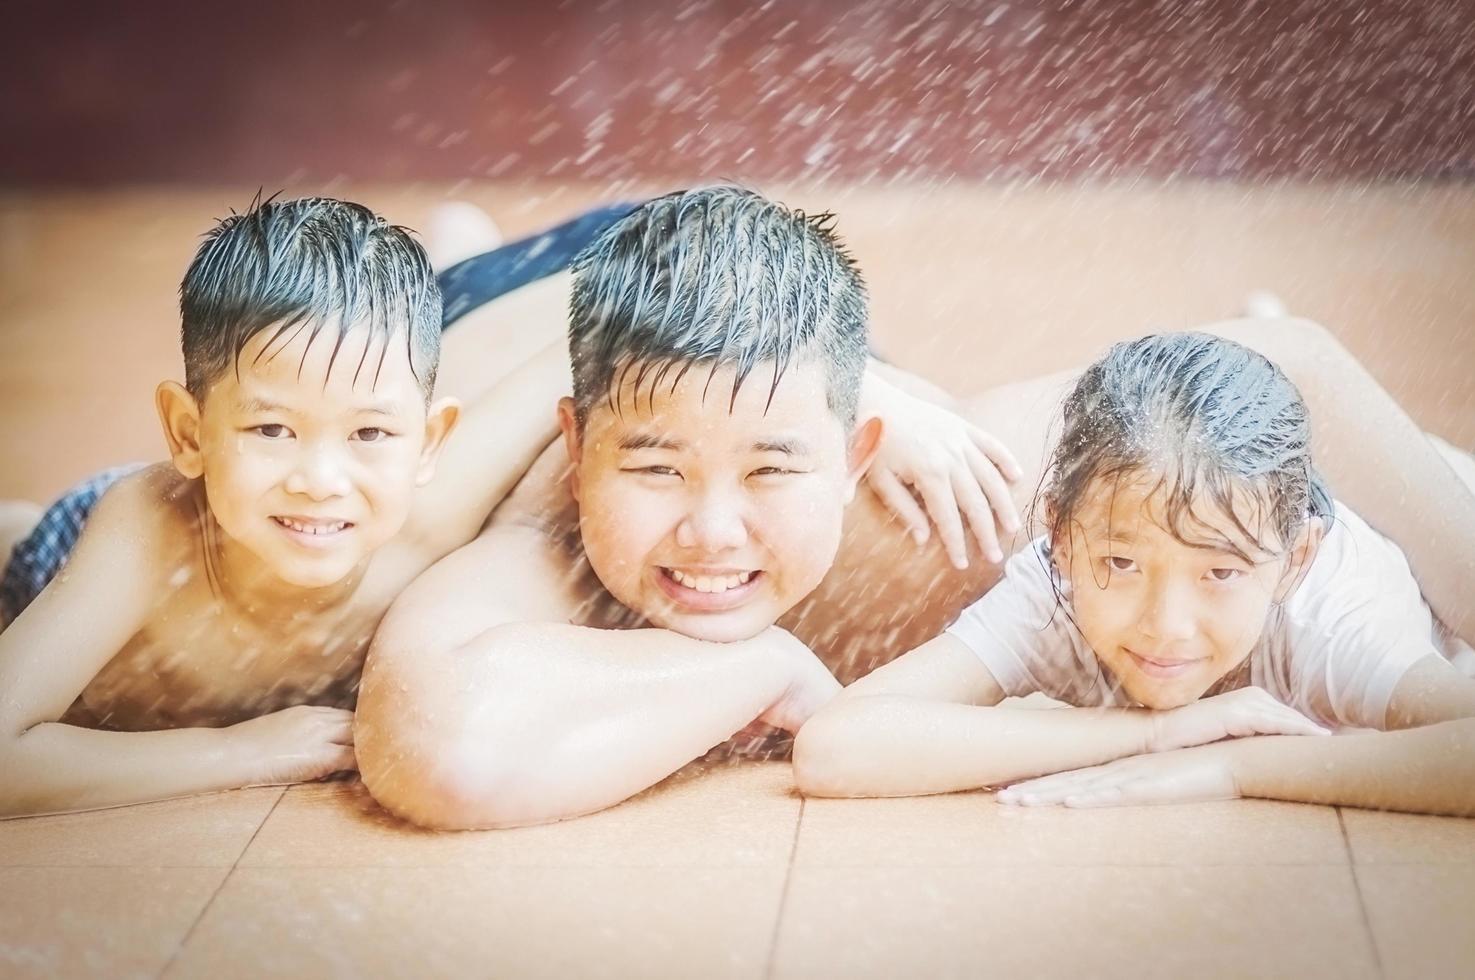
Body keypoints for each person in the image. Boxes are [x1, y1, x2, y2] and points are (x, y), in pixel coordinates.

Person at [354, 187, 1475, 829]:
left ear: (852, 458)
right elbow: (432, 748)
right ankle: (457, 249)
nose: (711, 533)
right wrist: (766, 666)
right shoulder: (547, 531)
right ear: (578, 450)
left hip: (772, 333)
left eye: (775, 475)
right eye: (650, 474)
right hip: (520, 302)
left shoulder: (963, 496)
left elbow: (1294, 363)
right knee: (438, 318)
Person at [0, 196, 575, 817]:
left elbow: (576, 344)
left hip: (247, 482)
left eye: (370, 435)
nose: (321, 481)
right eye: (272, 430)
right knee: (18, 551)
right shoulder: (149, 531)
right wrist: (237, 753)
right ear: (189, 433)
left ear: (429, 444)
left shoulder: (437, 502)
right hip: (71, 540)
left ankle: (461, 256)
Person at [793, 333, 1475, 816]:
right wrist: (1150, 735)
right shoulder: (1056, 585)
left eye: (1219, 574)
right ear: (1059, 537)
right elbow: (835, 749)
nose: (1165, 625)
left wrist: (1233, 767)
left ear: (1293, 561)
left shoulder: (1328, 617)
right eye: (1121, 565)